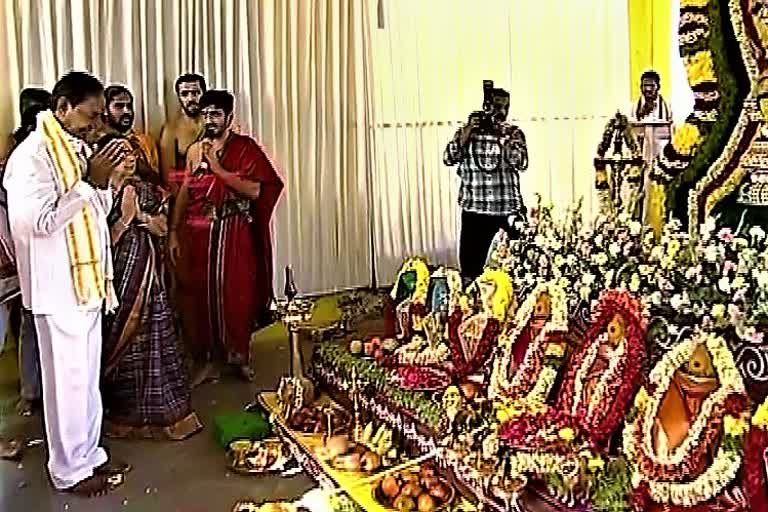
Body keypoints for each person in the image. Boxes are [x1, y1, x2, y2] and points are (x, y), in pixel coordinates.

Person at [4, 71, 131, 496]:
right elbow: (35, 224)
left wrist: (108, 185)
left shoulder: (73, 150)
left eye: (99, 119)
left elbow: (91, 211)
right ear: (62, 108)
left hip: (87, 283)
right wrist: (89, 183)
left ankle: (88, 453)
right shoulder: (31, 158)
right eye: (91, 117)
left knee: (85, 378)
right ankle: (68, 469)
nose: (97, 127)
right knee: (66, 384)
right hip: (58, 288)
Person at [169, 90, 283, 386]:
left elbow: (257, 191)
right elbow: (184, 191)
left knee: (236, 294)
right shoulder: (195, 151)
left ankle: (239, 357)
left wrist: (217, 168)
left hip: (235, 229)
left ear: (229, 118)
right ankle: (208, 361)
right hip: (202, 233)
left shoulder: (246, 148)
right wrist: (173, 232)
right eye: (206, 114)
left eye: (216, 114)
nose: (210, 120)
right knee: (202, 297)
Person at [100, 131, 202, 441]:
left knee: (154, 339)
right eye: (121, 155)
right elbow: (100, 243)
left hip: (148, 278)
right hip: (113, 281)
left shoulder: (147, 190)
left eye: (132, 153)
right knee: (118, 342)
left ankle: (162, 413)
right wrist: (122, 220)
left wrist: (140, 216)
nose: (130, 159)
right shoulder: (95, 196)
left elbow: (161, 227)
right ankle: (121, 415)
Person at [443, 87, 528, 282]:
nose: (501, 112)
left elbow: (521, 164)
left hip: (508, 208)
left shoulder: (514, 134)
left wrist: (506, 141)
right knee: (471, 269)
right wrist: (467, 132)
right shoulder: (467, 133)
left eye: (506, 107)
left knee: (522, 265)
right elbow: (448, 158)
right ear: (486, 106)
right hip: (476, 209)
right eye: (497, 106)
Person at [1, 88, 49, 417]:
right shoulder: (17, 153)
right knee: (26, 324)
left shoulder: (53, 151)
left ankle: (36, 392)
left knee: (36, 325)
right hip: (14, 258)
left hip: (39, 257)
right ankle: (30, 392)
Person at [104, 85, 161, 184]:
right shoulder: (99, 143)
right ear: (105, 110)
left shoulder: (145, 141)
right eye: (119, 106)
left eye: (129, 106)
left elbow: (157, 181)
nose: (127, 111)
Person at [159, 73, 206, 195]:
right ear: (179, 97)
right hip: (187, 194)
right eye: (185, 94)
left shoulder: (214, 125)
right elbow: (169, 177)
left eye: (195, 93)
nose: (190, 99)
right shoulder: (171, 130)